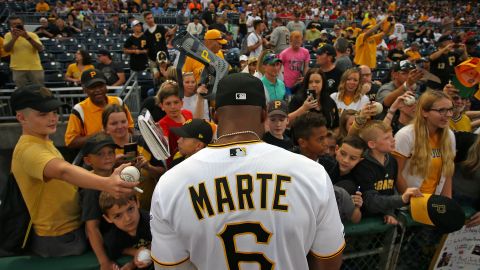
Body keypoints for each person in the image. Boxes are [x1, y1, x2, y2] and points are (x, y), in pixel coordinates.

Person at [150, 73, 344, 269]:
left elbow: (171, 267)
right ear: (263, 115)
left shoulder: (170, 184)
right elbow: (328, 261)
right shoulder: (312, 173)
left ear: (216, 116)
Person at [10, 84, 137, 257]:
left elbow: (64, 179)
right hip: (60, 236)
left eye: (54, 112)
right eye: (43, 114)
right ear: (21, 118)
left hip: (69, 229)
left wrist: (106, 165)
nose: (52, 118)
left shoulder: (42, 141)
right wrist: (106, 183)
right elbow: (63, 171)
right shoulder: (29, 150)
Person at [354, 121, 422, 225]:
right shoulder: (363, 166)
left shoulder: (392, 161)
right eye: (386, 138)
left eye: (392, 135)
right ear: (372, 144)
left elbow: (391, 190)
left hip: (385, 219)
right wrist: (401, 199)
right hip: (364, 221)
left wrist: (390, 212)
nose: (393, 140)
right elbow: (370, 201)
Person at [102, 104, 165, 210]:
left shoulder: (143, 141)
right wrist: (111, 166)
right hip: (121, 211)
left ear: (128, 122)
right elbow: (96, 179)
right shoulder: (103, 150)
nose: (120, 126)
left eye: (123, 121)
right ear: (105, 128)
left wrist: (148, 167)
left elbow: (162, 172)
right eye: (114, 123)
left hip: (150, 208)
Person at [393, 90, 455, 197]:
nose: (448, 115)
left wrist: (447, 203)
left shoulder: (449, 136)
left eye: (450, 110)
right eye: (442, 110)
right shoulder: (405, 135)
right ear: (424, 112)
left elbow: (447, 174)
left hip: (435, 202)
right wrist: (412, 201)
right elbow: (396, 174)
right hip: (408, 201)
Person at [65, 69, 134, 148]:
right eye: (92, 87)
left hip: (123, 152)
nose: (97, 90)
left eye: (100, 86)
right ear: (84, 89)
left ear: (106, 86)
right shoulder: (79, 109)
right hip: (99, 155)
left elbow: (131, 128)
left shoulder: (118, 101)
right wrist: (100, 136)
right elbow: (70, 142)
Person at [80, 133, 118, 270]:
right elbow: (91, 227)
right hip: (108, 242)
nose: (107, 157)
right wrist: (104, 261)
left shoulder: (118, 176)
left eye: (110, 152)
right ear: (88, 160)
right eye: (100, 154)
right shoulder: (91, 189)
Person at [99, 192, 152, 269]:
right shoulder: (112, 239)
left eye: (130, 209)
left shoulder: (152, 221)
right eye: (118, 215)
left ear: (137, 202)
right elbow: (117, 250)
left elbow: (163, 240)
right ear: (108, 218)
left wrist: (133, 263)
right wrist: (134, 252)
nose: (128, 218)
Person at [157, 81, 193, 167]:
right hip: (175, 165)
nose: (173, 107)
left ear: (182, 103)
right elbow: (164, 146)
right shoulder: (162, 124)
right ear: (162, 106)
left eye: (176, 102)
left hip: (193, 160)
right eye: (168, 103)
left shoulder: (188, 113)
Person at [3, 16, 44, 87]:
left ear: (22, 24)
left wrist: (27, 37)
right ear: (10, 26)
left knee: (39, 90)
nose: (16, 25)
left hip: (35, 67)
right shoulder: (8, 35)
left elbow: (40, 49)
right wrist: (14, 38)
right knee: (21, 92)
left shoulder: (32, 35)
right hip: (17, 68)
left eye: (18, 23)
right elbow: (7, 49)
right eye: (14, 24)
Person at [143, 11, 176, 81]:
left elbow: (171, 33)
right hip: (153, 59)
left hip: (164, 56)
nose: (150, 19)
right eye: (148, 18)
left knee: (168, 76)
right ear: (145, 20)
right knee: (156, 77)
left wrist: (168, 41)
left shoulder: (161, 28)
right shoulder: (145, 33)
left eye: (151, 17)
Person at [279, 31, 310, 96]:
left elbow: (306, 66)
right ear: (290, 41)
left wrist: (305, 77)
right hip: (286, 82)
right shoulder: (284, 53)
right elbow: (279, 67)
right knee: (289, 100)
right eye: (295, 42)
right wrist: (281, 80)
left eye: (298, 42)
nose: (297, 44)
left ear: (301, 41)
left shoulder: (305, 52)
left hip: (299, 82)